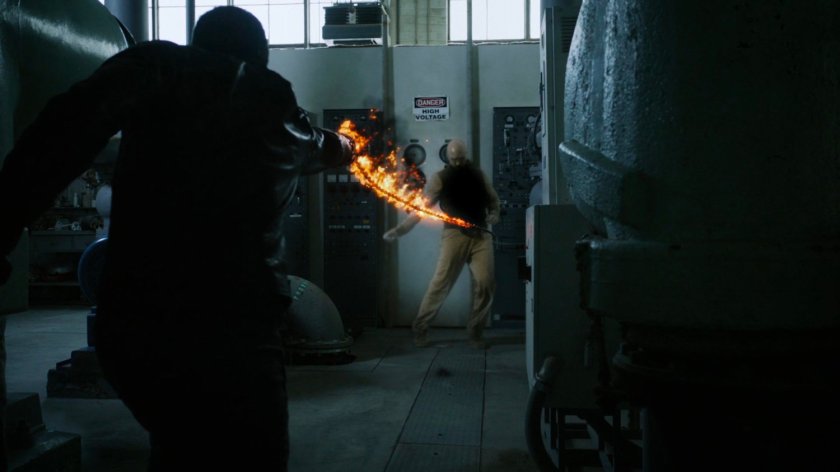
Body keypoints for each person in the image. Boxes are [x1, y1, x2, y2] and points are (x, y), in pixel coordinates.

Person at [0, 6, 354, 471]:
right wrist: (347, 146)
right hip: (235, 330)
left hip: (136, 322)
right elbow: (323, 147)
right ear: (261, 54)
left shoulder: (153, 66)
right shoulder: (274, 100)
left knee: (177, 444)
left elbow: (59, 135)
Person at [383, 139, 501, 349]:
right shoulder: (440, 178)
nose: (457, 162)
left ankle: (475, 333)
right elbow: (422, 209)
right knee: (441, 284)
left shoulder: (479, 175)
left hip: (481, 236)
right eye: (453, 159)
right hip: (454, 235)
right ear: (448, 157)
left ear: (466, 156)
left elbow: (494, 201)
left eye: (461, 158)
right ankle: (420, 329)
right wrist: (400, 229)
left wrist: (494, 214)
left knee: (486, 283)